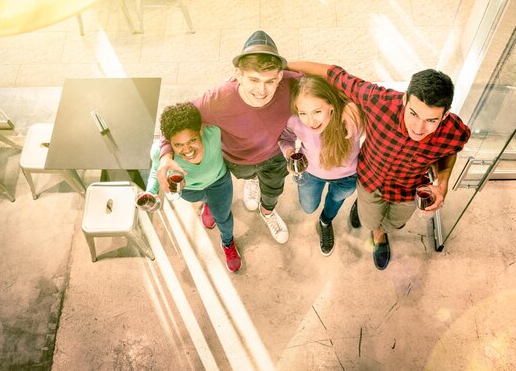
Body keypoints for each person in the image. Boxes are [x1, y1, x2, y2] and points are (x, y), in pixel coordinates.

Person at [156, 31, 360, 245]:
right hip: (238, 159)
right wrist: (164, 155)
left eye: (270, 80)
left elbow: (334, 77)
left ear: (280, 76)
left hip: (275, 157)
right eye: (253, 79)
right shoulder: (217, 99)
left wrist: (347, 102)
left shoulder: (290, 84)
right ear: (238, 74)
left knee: (273, 191)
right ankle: (251, 182)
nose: (262, 90)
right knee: (247, 176)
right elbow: (176, 122)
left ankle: (268, 212)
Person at [287, 61, 471, 270]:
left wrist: (443, 183)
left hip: (407, 189)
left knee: (396, 224)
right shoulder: (379, 101)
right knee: (370, 222)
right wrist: (282, 64)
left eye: (431, 120)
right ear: (404, 99)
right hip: (370, 179)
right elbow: (334, 74)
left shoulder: (454, 130)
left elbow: (450, 151)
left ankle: (382, 230)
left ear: (445, 115)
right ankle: (377, 234)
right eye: (413, 113)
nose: (419, 128)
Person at [143, 102, 242, 272]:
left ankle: (227, 242)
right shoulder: (161, 152)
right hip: (190, 191)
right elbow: (155, 171)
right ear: (170, 143)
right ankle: (208, 205)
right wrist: (150, 192)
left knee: (223, 217)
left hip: (219, 182)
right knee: (205, 200)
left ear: (201, 131)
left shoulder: (214, 132)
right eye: (178, 145)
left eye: (192, 140)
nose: (187, 149)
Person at [278, 75, 363, 256]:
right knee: (308, 207)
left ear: (331, 105)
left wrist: (351, 105)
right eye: (303, 113)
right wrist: (289, 153)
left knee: (335, 202)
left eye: (317, 111)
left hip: (346, 178)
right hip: (311, 174)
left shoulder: (352, 120)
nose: (311, 121)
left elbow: (367, 95)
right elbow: (285, 138)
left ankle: (326, 221)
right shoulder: (295, 122)